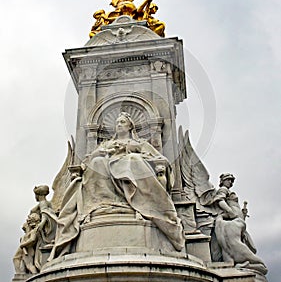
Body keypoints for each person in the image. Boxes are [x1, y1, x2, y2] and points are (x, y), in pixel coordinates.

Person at [49, 112, 184, 259]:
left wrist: (130, 151)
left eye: (122, 122)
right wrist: (100, 153)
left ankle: (137, 204)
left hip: (128, 166)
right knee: (96, 163)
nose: (119, 125)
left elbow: (159, 158)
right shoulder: (106, 144)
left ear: (130, 126)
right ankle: (102, 205)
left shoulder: (140, 144)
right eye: (117, 122)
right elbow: (87, 161)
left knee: (133, 160)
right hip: (108, 166)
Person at [212, 173, 267, 276]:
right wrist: (230, 211)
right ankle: (242, 261)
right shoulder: (223, 189)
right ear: (223, 181)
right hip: (233, 220)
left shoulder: (228, 191)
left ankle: (242, 262)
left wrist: (242, 214)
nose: (231, 182)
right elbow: (219, 200)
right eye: (228, 180)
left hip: (238, 220)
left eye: (232, 180)